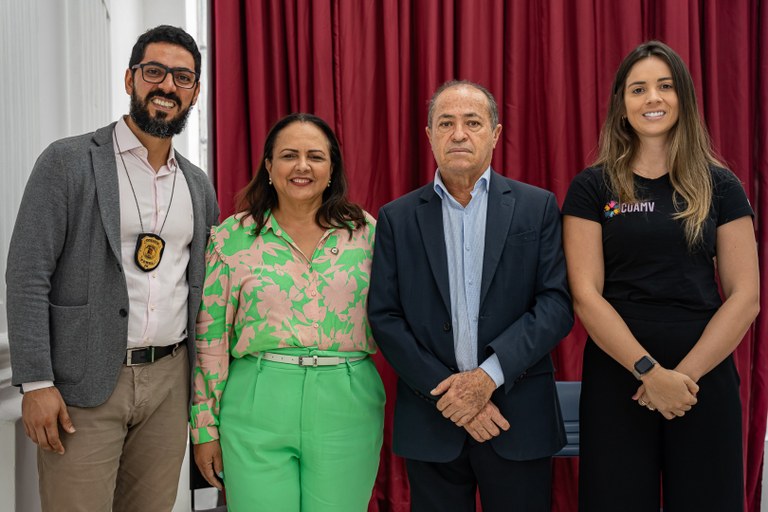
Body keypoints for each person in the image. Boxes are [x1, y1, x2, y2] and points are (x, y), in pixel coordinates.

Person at [5, 25, 219, 512]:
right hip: (84, 384)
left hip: (169, 381)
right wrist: (36, 382)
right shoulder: (68, 162)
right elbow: (27, 274)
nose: (167, 86)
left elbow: (202, 287)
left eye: (182, 77)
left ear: (195, 93)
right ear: (130, 79)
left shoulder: (198, 185)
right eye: (154, 71)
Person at [562, 40, 759, 511]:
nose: (653, 98)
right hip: (620, 375)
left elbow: (745, 296)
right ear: (621, 105)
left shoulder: (721, 185)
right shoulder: (593, 187)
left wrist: (680, 379)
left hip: (702, 378)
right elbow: (585, 295)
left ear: (683, 98)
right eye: (638, 89)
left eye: (665, 86)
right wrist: (649, 373)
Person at [367, 80, 573, 511]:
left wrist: (485, 380)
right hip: (432, 419)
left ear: (496, 134)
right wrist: (453, 393)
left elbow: (555, 305)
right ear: (429, 135)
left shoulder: (537, 207)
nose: (459, 133)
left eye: (472, 122)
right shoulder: (397, 218)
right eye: (446, 122)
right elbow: (385, 316)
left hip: (517, 418)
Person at [190, 113, 385, 511]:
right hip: (255, 402)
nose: (302, 166)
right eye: (288, 155)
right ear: (268, 166)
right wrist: (204, 427)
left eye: (315, 156)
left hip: (346, 403)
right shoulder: (232, 237)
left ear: (332, 168)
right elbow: (211, 338)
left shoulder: (366, 233)